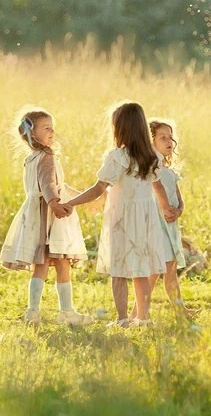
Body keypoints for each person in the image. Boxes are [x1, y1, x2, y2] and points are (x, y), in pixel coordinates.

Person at [63, 102, 176, 327]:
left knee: (119, 271)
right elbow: (158, 186)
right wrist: (165, 208)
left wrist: (71, 202)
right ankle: (143, 318)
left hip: (122, 219)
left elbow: (98, 189)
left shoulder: (117, 156)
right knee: (141, 270)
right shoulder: (150, 156)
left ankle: (123, 318)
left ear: (119, 128)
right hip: (146, 220)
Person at [0, 108, 90, 325]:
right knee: (62, 262)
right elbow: (49, 184)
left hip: (35, 214)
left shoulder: (31, 158)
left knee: (42, 263)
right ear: (32, 134)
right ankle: (67, 312)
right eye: (46, 128)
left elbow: (56, 184)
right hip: (48, 215)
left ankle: (33, 311)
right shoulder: (47, 156)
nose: (52, 132)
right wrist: (54, 204)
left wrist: (80, 197)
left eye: (52, 128)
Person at [149, 117, 194, 322]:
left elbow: (180, 200)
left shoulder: (169, 172)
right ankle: (137, 313)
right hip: (157, 227)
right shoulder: (150, 170)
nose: (169, 142)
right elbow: (152, 199)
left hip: (170, 228)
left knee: (170, 271)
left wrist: (178, 211)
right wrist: (166, 210)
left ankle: (179, 311)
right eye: (162, 138)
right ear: (151, 142)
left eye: (170, 138)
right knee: (154, 273)